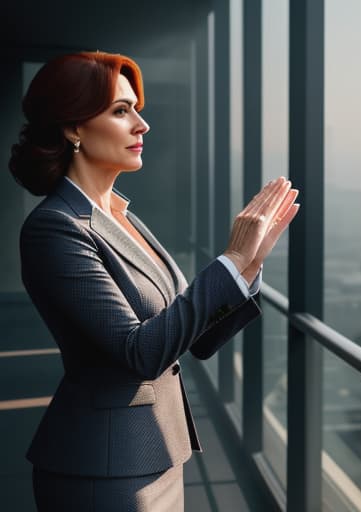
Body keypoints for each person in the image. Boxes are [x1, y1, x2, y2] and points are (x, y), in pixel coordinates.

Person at [9, 51, 299, 512]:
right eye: (121, 111)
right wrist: (230, 259)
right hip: (105, 470)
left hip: (160, 452)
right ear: (72, 128)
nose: (141, 125)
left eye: (136, 110)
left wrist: (246, 269)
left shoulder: (122, 216)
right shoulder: (55, 228)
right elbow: (139, 353)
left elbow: (193, 340)